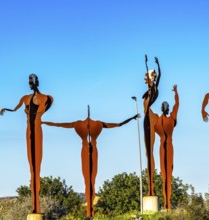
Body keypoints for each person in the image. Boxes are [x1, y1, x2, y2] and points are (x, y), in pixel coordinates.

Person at [42, 107, 139, 217]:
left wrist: (132, 118)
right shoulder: (88, 124)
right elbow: (59, 124)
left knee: (91, 181)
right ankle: (89, 211)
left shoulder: (94, 124)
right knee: (88, 182)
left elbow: (118, 124)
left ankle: (90, 211)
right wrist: (44, 122)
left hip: (91, 152)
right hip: (86, 152)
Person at [0, 74, 53, 214]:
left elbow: (42, 110)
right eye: (29, 81)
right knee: (31, 167)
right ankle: (34, 206)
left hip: (37, 131)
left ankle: (37, 206)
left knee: (37, 167)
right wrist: (6, 109)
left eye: (32, 81)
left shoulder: (46, 98)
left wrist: (33, 113)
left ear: (37, 82)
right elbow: (16, 108)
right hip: (28, 132)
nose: (30, 83)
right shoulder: (25, 98)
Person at [154, 85, 179, 210]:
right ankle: (167, 203)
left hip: (162, 147)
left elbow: (147, 110)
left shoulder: (157, 121)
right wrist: (176, 92)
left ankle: (167, 203)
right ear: (167, 109)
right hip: (168, 146)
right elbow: (177, 104)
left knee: (165, 175)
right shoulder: (171, 119)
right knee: (168, 175)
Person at [142, 55, 161, 196]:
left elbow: (160, 75)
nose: (152, 78)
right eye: (150, 76)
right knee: (148, 152)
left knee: (150, 151)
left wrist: (158, 64)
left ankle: (151, 187)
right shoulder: (149, 89)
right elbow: (149, 74)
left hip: (150, 118)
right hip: (146, 119)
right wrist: (146, 64)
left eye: (152, 77)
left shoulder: (154, 87)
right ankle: (150, 187)